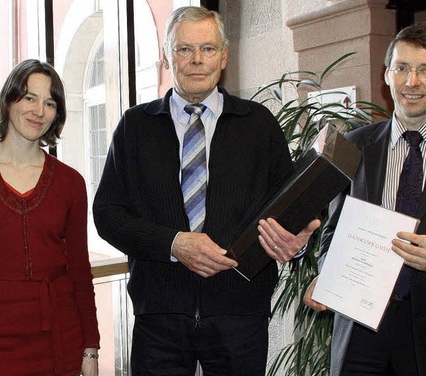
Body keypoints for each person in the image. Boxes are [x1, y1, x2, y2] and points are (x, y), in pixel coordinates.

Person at [92, 6, 320, 375]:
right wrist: (173, 244)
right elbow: (108, 215)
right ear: (167, 56)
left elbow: (291, 208)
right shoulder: (135, 127)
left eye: (208, 49)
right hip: (159, 316)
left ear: (224, 56)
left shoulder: (258, 124)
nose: (197, 60)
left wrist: (298, 240)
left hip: (240, 315)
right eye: (184, 49)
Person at [304, 22, 426, 375]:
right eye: (402, 68)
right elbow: (333, 230)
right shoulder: (355, 146)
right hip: (360, 332)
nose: (412, 82)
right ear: (386, 74)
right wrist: (328, 272)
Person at [0, 59, 100, 376]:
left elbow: (80, 272)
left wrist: (90, 349)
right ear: (9, 99)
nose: (38, 111)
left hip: (58, 340)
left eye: (49, 103)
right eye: (29, 97)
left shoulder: (71, 183)